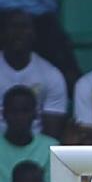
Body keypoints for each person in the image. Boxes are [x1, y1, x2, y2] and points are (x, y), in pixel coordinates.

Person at [0, 11, 68, 140]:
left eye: (24, 27)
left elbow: (51, 135)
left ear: (34, 34)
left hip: (36, 151)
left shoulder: (51, 75)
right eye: (13, 27)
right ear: (2, 33)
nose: (18, 33)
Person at [0, 88, 56, 182]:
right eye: (13, 111)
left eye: (25, 111)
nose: (19, 117)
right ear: (4, 114)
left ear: (35, 114)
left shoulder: (50, 148)